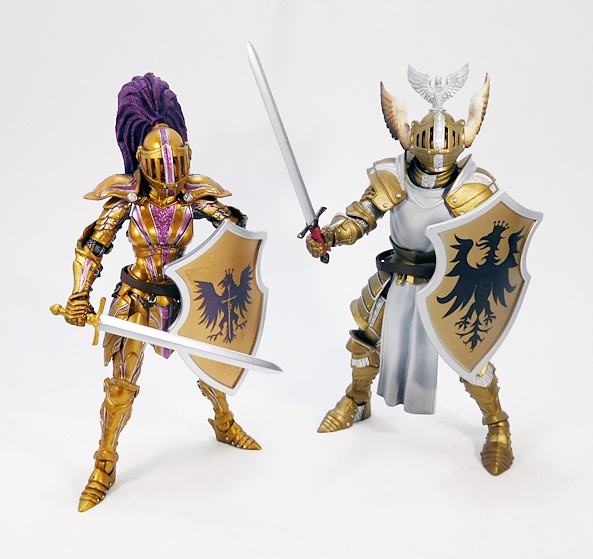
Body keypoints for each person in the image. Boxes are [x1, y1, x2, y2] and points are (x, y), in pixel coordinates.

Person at [62, 74, 259, 513]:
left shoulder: (195, 197)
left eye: (178, 164)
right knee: (120, 389)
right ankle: (104, 464)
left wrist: (231, 227)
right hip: (135, 299)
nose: (170, 177)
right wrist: (79, 295)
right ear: (142, 160)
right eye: (159, 166)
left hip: (186, 299)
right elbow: (92, 247)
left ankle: (224, 423)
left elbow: (236, 233)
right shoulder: (126, 200)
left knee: (211, 367)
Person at [306, 65, 515, 476]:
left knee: (471, 357)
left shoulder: (475, 188)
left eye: (443, 149)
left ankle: (498, 425)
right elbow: (362, 215)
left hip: (450, 286)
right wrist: (330, 235)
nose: (435, 158)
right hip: (396, 277)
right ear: (411, 139)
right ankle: (357, 399)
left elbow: (498, 242)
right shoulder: (394, 176)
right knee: (365, 341)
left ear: (460, 142)